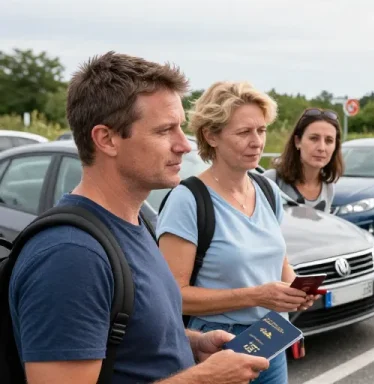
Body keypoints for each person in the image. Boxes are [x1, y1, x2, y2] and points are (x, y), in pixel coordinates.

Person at [8, 52, 269, 384]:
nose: (184, 146)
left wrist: (193, 343)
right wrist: (202, 380)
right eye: (164, 131)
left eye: (180, 129)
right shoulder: (70, 257)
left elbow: (128, 336)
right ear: (107, 139)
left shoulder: (134, 223)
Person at [156, 81, 320, 384]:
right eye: (244, 132)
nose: (257, 141)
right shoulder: (188, 200)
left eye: (261, 130)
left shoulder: (266, 189)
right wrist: (256, 296)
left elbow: (279, 261)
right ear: (211, 135)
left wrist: (295, 289)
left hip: (273, 337)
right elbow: (171, 298)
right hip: (216, 345)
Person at [263, 108, 343, 213]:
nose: (322, 148)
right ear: (297, 141)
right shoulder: (270, 180)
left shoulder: (328, 188)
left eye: (329, 140)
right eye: (314, 138)